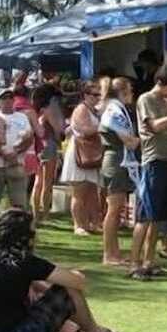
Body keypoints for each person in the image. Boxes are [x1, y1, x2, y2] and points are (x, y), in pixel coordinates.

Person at [0, 209, 121, 332]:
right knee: (68, 287)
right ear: (25, 236)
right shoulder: (23, 262)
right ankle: (92, 331)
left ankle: (82, 329)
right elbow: (78, 282)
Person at [128, 66, 167, 280]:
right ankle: (134, 264)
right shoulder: (146, 99)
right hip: (153, 161)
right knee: (146, 214)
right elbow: (154, 127)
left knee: (159, 216)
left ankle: (149, 261)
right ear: (163, 83)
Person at [99, 77, 139, 265]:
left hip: (118, 159)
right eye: (130, 90)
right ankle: (108, 254)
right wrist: (144, 139)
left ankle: (114, 252)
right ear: (123, 91)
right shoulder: (114, 110)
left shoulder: (116, 108)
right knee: (114, 209)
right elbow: (128, 141)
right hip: (116, 161)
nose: (132, 93)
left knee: (117, 208)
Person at [60, 81, 103, 236]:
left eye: (100, 94)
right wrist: (103, 127)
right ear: (85, 95)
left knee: (92, 191)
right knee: (80, 191)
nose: (98, 98)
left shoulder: (95, 110)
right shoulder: (81, 109)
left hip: (92, 153)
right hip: (81, 152)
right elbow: (84, 130)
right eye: (94, 95)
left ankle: (92, 223)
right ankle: (78, 225)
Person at [0, 88, 34, 212]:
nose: (8, 100)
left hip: (17, 164)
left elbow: (29, 137)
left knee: (19, 203)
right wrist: (4, 153)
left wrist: (16, 152)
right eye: (4, 98)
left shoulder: (22, 117)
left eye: (11, 97)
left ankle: (20, 228)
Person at [31, 84, 64, 220]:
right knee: (48, 182)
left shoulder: (37, 110)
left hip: (38, 145)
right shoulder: (50, 108)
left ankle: (35, 211)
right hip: (50, 145)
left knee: (38, 181)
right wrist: (60, 136)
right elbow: (57, 128)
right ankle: (45, 212)